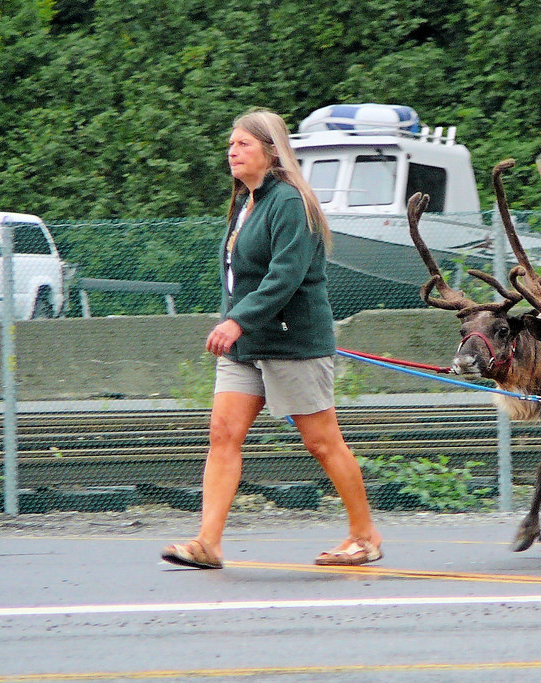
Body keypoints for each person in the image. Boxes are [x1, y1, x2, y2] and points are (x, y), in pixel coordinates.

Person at [161, 108, 382, 569]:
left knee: (322, 442)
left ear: (270, 150)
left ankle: (364, 537)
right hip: (246, 346)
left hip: (290, 342)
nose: (232, 151)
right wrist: (237, 324)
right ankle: (208, 543)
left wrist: (236, 321)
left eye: (243, 143)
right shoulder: (247, 203)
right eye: (230, 144)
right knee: (223, 434)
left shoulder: (289, 202)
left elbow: (284, 277)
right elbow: (239, 277)